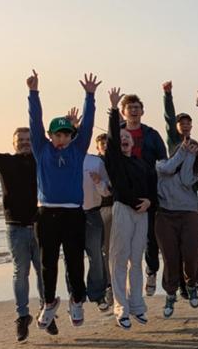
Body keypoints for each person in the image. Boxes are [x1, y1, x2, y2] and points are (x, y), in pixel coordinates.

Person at [28, 70, 99, 331]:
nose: (62, 138)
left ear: (71, 136)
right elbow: (35, 121)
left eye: (66, 134)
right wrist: (33, 93)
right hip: (46, 214)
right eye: (57, 134)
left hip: (73, 214)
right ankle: (49, 303)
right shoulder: (41, 148)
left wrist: (89, 96)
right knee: (47, 263)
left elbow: (88, 125)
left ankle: (77, 301)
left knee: (74, 261)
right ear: (50, 135)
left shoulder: (78, 150)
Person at [0, 101, 47, 341]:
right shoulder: (4, 162)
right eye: (21, 140)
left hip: (41, 225)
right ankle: (22, 316)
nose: (25, 143)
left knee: (44, 271)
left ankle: (47, 311)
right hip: (15, 227)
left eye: (28, 140)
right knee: (20, 272)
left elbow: (66, 149)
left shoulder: (42, 161)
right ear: (14, 143)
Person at [103, 87, 157, 329]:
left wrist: (150, 202)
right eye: (121, 137)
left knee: (136, 260)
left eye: (128, 138)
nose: (124, 140)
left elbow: (153, 187)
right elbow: (113, 138)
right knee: (119, 259)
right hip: (123, 210)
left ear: (133, 143)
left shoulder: (141, 163)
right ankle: (121, 308)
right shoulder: (114, 161)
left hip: (141, 214)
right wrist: (114, 109)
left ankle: (137, 305)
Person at [118, 93, 167, 296]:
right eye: (130, 108)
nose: (134, 111)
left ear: (142, 111)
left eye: (137, 107)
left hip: (148, 189)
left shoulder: (151, 134)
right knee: (123, 238)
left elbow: (163, 161)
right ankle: (123, 281)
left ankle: (151, 271)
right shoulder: (117, 132)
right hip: (123, 190)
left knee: (150, 237)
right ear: (123, 112)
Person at [63, 107, 112, 313]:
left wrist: (99, 182)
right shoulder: (63, 158)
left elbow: (107, 191)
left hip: (92, 214)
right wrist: (71, 125)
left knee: (96, 256)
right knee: (71, 258)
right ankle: (75, 296)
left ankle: (98, 294)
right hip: (69, 215)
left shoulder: (95, 161)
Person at [161, 81, 198, 298]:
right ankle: (177, 284)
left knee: (192, 246)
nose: (185, 126)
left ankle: (191, 282)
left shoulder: (195, 144)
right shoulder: (173, 141)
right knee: (173, 248)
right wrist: (168, 95)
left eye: (188, 124)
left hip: (190, 198)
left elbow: (195, 171)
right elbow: (169, 118)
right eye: (181, 124)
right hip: (170, 200)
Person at [155, 136, 198, 317]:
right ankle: (170, 293)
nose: (190, 151)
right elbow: (169, 168)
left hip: (189, 214)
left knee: (191, 253)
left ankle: (191, 284)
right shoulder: (161, 165)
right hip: (165, 215)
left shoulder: (193, 172)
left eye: (194, 150)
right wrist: (184, 151)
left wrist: (189, 157)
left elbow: (185, 179)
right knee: (170, 257)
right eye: (188, 147)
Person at [94, 132, 114, 308]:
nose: (106, 147)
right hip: (102, 209)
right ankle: (109, 285)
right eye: (103, 145)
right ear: (98, 147)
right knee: (105, 250)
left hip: (120, 207)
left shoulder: (118, 160)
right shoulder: (96, 162)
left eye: (108, 144)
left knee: (123, 249)